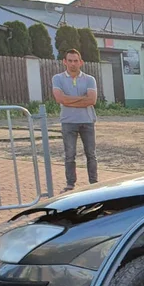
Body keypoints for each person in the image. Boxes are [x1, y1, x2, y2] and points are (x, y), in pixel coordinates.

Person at [52, 49, 98, 192]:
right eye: (70, 61)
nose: (73, 64)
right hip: (68, 121)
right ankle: (70, 184)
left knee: (91, 154)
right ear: (64, 62)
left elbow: (92, 100)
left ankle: (94, 183)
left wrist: (68, 100)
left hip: (87, 121)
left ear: (81, 62)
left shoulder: (90, 79)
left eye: (76, 61)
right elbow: (59, 99)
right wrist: (82, 99)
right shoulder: (57, 78)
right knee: (70, 154)